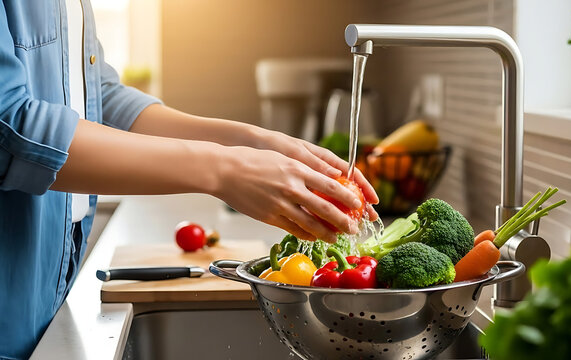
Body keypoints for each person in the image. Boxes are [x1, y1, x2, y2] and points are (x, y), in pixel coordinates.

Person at [0, 1, 378, 358]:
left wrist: (256, 142)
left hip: (41, 306)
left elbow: (98, 99)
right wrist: (224, 169)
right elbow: (9, 124)